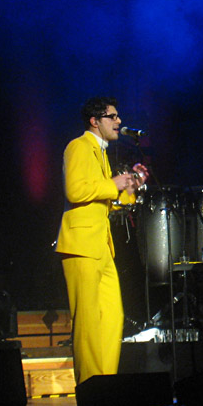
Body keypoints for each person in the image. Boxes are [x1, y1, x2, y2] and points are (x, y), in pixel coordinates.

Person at [55, 96, 149, 384]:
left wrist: (132, 184)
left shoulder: (102, 153)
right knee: (88, 322)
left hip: (101, 246)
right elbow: (75, 190)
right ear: (95, 121)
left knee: (111, 318)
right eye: (113, 116)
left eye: (118, 116)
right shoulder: (79, 146)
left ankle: (106, 384)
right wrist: (113, 184)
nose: (119, 121)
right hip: (81, 245)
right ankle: (89, 387)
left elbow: (110, 200)